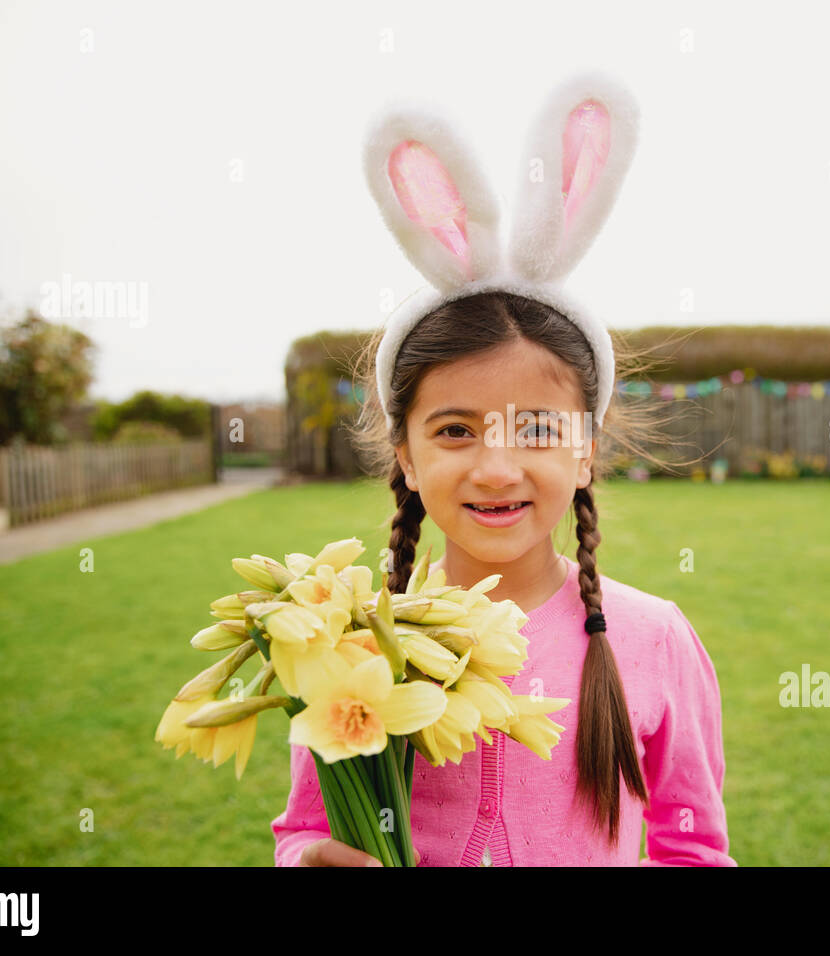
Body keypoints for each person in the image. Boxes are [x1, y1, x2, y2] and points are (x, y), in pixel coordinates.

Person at [272, 70, 736, 866]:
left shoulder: (653, 639)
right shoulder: (353, 645)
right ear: (407, 455)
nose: (496, 468)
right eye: (455, 430)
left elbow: (694, 850)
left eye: (536, 429)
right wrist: (311, 859)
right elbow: (304, 831)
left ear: (585, 449)